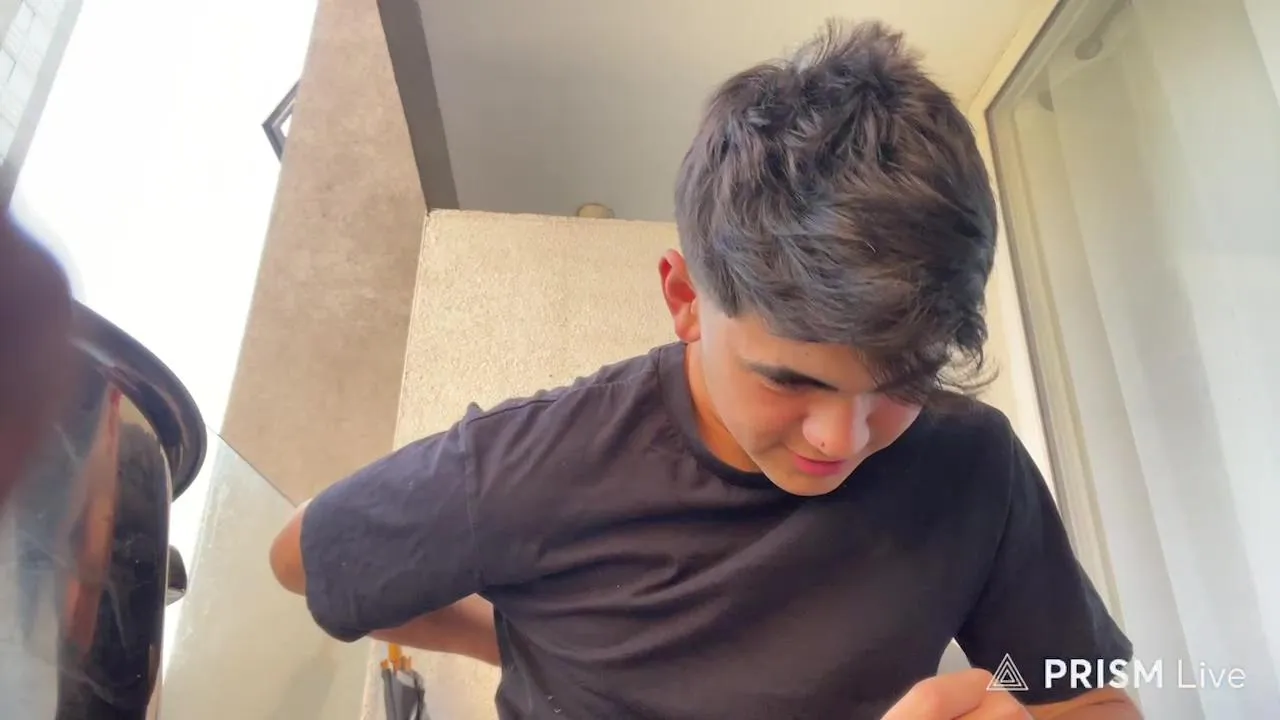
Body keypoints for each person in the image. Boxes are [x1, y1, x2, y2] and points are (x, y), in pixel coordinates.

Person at [270, 20, 1141, 719]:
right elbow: (306, 557)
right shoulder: (533, 466)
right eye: (791, 380)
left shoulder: (974, 468)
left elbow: (1085, 697)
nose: (842, 437)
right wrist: (508, 639)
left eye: (904, 382)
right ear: (685, 298)